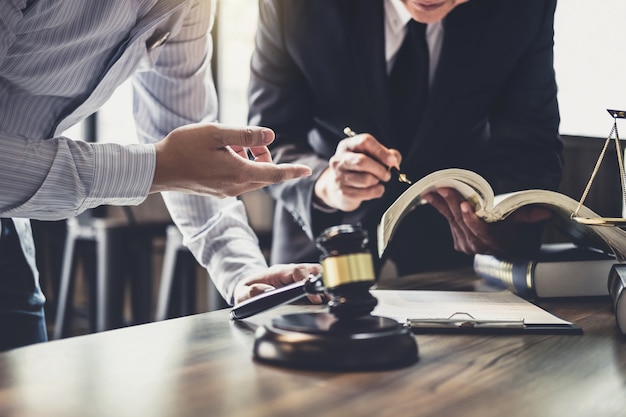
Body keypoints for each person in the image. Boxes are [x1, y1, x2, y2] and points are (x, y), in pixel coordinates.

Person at [0, 0, 322, 351]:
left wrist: (243, 271)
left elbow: (189, 149)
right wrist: (154, 167)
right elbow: (174, 163)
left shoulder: (189, 6)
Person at [248, 0, 563, 275]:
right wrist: (325, 184)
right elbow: (270, 138)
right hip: (325, 255)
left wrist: (502, 223)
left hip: (455, 265)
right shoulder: (292, 5)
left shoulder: (525, 7)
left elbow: (531, 144)